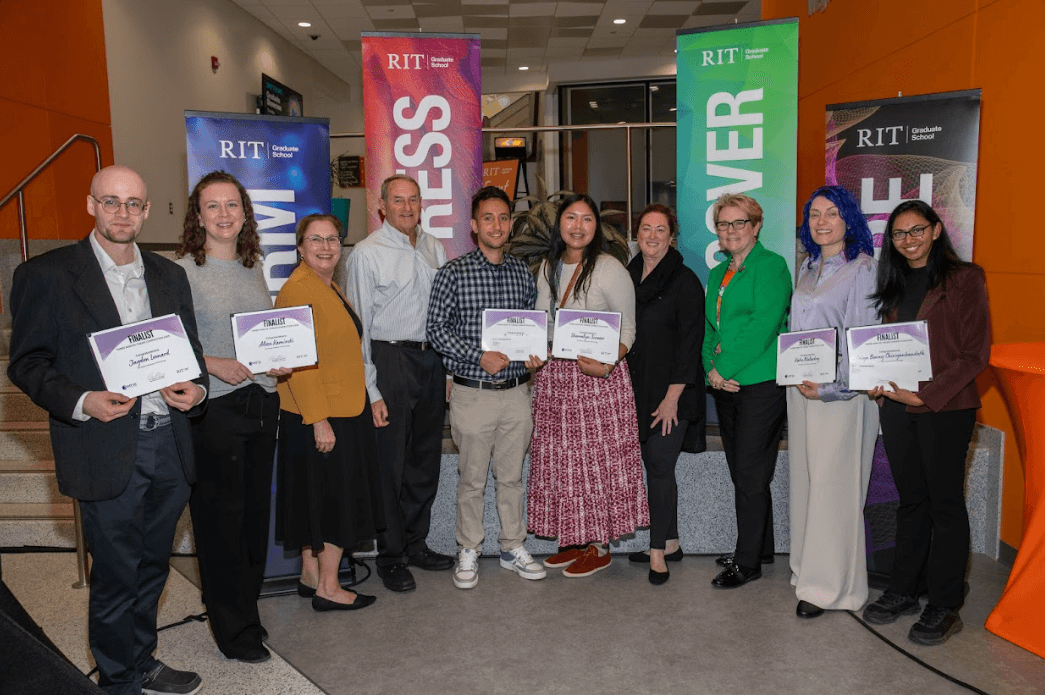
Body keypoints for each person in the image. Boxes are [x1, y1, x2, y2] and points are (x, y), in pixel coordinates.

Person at [7, 165, 208, 695]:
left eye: (135, 204)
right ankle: (117, 680)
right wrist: (81, 400)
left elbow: (191, 357)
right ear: (91, 205)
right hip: (105, 444)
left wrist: (198, 390)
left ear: (146, 210)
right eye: (112, 201)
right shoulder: (45, 275)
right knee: (117, 571)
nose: (124, 213)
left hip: (169, 443)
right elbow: (26, 364)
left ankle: (141, 660)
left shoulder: (170, 275)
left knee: (152, 567)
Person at [861, 200, 990, 646]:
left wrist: (926, 394)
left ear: (936, 231)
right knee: (911, 501)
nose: (909, 240)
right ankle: (904, 589)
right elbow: (886, 347)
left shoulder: (966, 278)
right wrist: (878, 384)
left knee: (945, 505)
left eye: (917, 231)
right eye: (899, 234)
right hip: (897, 408)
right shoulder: (893, 284)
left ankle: (944, 603)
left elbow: (975, 354)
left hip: (946, 408)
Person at [175, 171, 289, 662]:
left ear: (245, 214)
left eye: (232, 205)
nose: (224, 214)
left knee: (252, 520)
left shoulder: (252, 267)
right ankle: (231, 628)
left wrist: (277, 360)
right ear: (197, 216)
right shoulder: (179, 272)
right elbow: (167, 346)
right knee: (221, 521)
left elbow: (258, 338)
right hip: (215, 410)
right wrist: (209, 364)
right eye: (213, 206)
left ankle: (245, 610)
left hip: (262, 405)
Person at [426, 186, 547, 589]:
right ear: (475, 226)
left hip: (516, 393)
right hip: (472, 393)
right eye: (488, 218)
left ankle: (513, 546)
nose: (497, 225)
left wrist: (534, 354)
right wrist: (479, 355)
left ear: (510, 224)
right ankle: (469, 548)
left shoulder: (520, 273)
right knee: (472, 478)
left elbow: (530, 328)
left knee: (512, 478)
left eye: (503, 217)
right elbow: (435, 331)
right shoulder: (453, 273)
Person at [527, 193, 649, 578]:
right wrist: (532, 351)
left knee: (595, 464)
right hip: (554, 379)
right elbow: (539, 321)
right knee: (562, 462)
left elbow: (628, 327)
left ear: (596, 227)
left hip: (598, 380)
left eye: (586, 219)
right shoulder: (546, 267)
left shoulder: (610, 268)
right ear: (559, 224)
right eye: (570, 218)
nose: (578, 226)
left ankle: (599, 546)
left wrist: (609, 361)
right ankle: (576, 540)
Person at [345, 174, 454, 592]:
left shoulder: (435, 247)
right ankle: (390, 555)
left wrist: (444, 371)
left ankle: (416, 543)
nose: (407, 207)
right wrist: (371, 390)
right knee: (390, 463)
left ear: (421, 204)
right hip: (388, 358)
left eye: (413, 200)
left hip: (431, 359)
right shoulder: (366, 254)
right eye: (398, 200)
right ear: (382, 207)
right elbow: (360, 329)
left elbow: (444, 314)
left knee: (424, 459)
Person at [275, 214, 383, 612]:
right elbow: (297, 362)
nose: (325, 246)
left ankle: (310, 573)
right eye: (315, 239)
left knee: (315, 499)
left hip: (337, 408)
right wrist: (318, 419)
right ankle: (329, 587)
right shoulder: (297, 290)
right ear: (300, 247)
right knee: (336, 502)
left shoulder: (327, 285)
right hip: (323, 414)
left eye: (333, 239)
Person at [787, 186, 879, 618]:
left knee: (833, 487)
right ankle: (807, 570)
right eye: (815, 214)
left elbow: (863, 348)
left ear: (849, 221)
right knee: (807, 481)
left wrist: (828, 388)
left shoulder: (861, 270)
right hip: (800, 391)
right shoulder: (807, 267)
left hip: (838, 396)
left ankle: (833, 588)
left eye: (832, 213)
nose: (821, 221)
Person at [703, 192, 791, 589]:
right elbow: (711, 329)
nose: (731, 231)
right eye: (724, 224)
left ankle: (748, 562)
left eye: (740, 223)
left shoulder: (771, 267)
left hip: (759, 383)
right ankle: (761, 547)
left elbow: (763, 326)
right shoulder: (716, 273)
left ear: (756, 226)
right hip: (725, 384)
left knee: (751, 475)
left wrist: (722, 368)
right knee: (743, 471)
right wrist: (710, 370)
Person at [624, 204, 705, 585]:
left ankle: (657, 553)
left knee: (658, 466)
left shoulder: (685, 280)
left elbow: (691, 345)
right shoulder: (627, 276)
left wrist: (673, 397)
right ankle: (670, 540)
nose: (652, 235)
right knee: (656, 467)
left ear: (671, 236)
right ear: (636, 234)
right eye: (645, 228)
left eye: (660, 229)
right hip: (637, 391)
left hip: (673, 394)